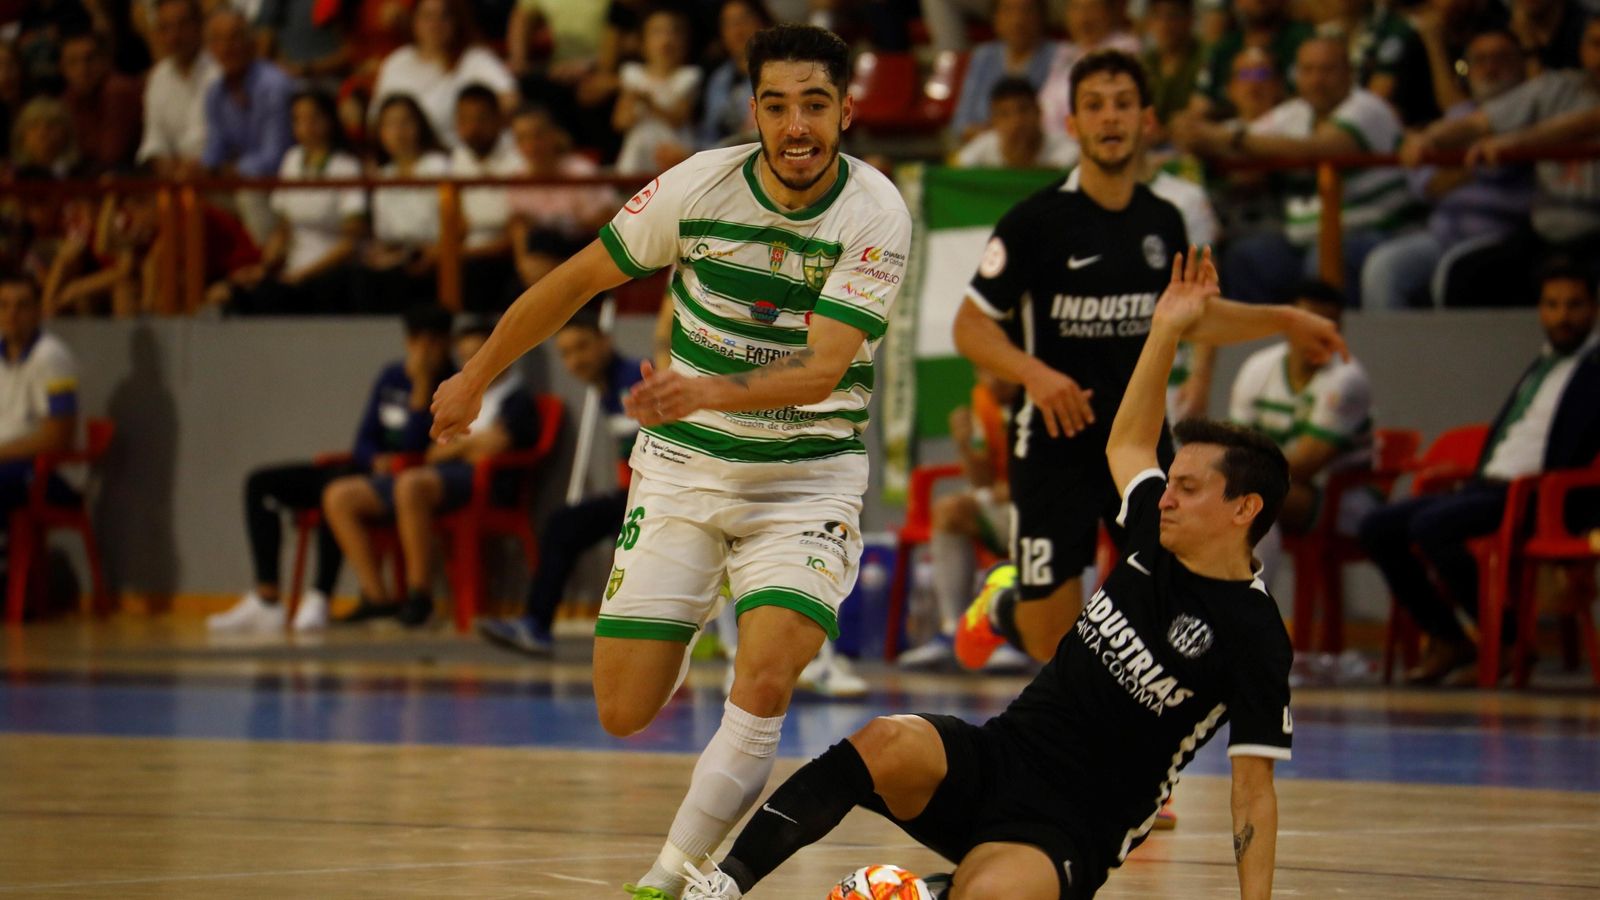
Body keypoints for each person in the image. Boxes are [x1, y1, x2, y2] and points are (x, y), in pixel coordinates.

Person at [679, 248, 1329, 900]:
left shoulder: (1255, 634)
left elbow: (1252, 795)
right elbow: (1129, 443)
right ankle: (725, 886)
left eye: (1188, 488)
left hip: (1070, 828)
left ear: (1243, 509)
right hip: (1000, 758)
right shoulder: (1151, 534)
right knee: (884, 742)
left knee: (990, 893)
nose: (1167, 496)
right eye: (1172, 483)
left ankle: (928, 892)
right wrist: (1166, 329)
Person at [427, 24, 911, 899]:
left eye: (815, 104)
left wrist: (706, 391)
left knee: (767, 673)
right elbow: (575, 282)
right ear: (753, 109)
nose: (796, 126)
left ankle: (670, 878)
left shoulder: (875, 210)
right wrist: (473, 375)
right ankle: (691, 599)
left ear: (846, 109)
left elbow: (825, 368)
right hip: (685, 471)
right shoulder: (696, 185)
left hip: (806, 481)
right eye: (777, 105)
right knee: (624, 710)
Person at [950, 50, 1348, 673]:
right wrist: (1035, 373)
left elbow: (1191, 317)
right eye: (1094, 106)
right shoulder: (1036, 222)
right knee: (1046, 640)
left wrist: (1285, 318)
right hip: (1054, 445)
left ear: (1147, 121)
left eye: (1123, 104)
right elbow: (969, 326)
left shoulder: (1163, 220)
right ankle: (1001, 604)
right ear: (1074, 124)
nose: (1110, 118)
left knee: (1170, 598)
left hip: (1136, 445)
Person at [1358, 260, 1600, 684]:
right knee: (1378, 526)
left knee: (1433, 527)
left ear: (1594, 309)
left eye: (1574, 305)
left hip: (1538, 498)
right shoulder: (1542, 364)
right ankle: (1449, 637)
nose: (1562, 316)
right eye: (1552, 304)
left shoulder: (1595, 370)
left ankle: (1506, 640)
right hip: (1486, 486)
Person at [208, 305, 455, 634]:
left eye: (430, 342)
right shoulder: (391, 376)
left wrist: (421, 389)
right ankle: (266, 598)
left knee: (336, 489)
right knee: (261, 483)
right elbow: (364, 439)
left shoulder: (451, 383)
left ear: (444, 343)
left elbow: (418, 446)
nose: (421, 350)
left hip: (401, 479)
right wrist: (373, 460)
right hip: (366, 470)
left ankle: (321, 595)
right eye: (414, 341)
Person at [323, 314, 541, 626]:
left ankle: (419, 593)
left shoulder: (517, 398)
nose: (470, 364)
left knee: (410, 485)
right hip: (437, 476)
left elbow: (495, 446)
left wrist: (456, 448)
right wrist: (468, 445)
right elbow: (431, 448)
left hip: (483, 484)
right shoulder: (458, 393)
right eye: (464, 357)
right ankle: (376, 596)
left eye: (478, 355)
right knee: (340, 495)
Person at [1178, 35, 1415, 305]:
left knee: (1322, 259)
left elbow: (1319, 148)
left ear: (1349, 73)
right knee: (1247, 256)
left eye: (1327, 70)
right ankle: (1253, 344)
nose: (1317, 80)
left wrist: (1227, 139)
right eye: (1308, 70)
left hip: (1378, 231)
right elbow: (1238, 138)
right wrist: (1191, 131)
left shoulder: (1367, 107)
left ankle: (1334, 344)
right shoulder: (1296, 112)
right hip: (1301, 239)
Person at [479, 305, 644, 656]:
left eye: (582, 347)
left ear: (605, 341)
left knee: (564, 525)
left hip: (657, 498)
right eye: (566, 353)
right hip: (634, 497)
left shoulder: (633, 381)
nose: (575, 361)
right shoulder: (606, 387)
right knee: (564, 525)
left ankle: (537, 624)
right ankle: (536, 625)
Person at [1405, 16, 1600, 307]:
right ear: (1582, 49)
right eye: (1596, 44)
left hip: (1595, 229)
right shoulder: (1557, 87)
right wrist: (1430, 138)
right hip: (1546, 233)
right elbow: (1479, 122)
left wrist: (1518, 141)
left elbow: (1584, 124)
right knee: (1465, 275)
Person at [1368, 27, 1532, 310]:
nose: (1490, 68)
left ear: (1521, 64)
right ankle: (1391, 355)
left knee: (1454, 271)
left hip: (1502, 235)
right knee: (1384, 266)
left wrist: (1458, 168)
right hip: (1441, 233)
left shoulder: (1534, 112)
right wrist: (1476, 168)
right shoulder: (1457, 116)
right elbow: (1424, 185)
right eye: (1480, 60)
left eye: (1501, 58)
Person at [1228, 280, 1374, 581]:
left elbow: (1305, 465)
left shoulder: (1347, 380)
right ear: (1287, 325)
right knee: (1231, 495)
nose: (1323, 336)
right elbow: (1236, 448)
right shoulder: (1258, 368)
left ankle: (1247, 607)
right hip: (1280, 489)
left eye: (1332, 326)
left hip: (1346, 500)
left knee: (1241, 497)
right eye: (1312, 325)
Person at [896, 370, 1026, 671]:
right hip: (1005, 508)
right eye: (984, 370)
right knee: (949, 511)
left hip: (1048, 509)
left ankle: (1015, 633)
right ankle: (954, 631)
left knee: (1030, 511)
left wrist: (1021, 486)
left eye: (999, 370)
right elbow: (982, 482)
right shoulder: (984, 400)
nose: (994, 379)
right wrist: (964, 445)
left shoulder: (1044, 397)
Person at [224, 90, 367, 316]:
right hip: (293, 270)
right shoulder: (291, 159)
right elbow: (284, 227)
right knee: (238, 292)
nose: (305, 126)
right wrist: (265, 268)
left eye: (313, 118)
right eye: (298, 119)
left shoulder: (347, 166)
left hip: (331, 273)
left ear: (330, 120)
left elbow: (350, 243)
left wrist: (303, 275)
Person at [200, 8, 295, 243]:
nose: (227, 47)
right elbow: (216, 147)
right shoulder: (215, 93)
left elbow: (276, 157)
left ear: (251, 42)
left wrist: (231, 171)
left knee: (248, 192)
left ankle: (267, 268)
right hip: (240, 180)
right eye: (217, 40)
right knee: (186, 195)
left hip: (284, 183)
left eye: (234, 38)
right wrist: (200, 168)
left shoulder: (274, 85)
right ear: (210, 49)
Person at [370, 0, 518, 147]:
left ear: (456, 21)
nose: (435, 25)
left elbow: (510, 101)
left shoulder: (475, 60)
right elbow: (376, 118)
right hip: (407, 157)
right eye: (427, 17)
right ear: (414, 21)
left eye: (444, 16)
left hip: (459, 156)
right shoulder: (397, 62)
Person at [506, 104, 619, 290]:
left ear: (553, 135)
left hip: (583, 258)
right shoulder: (517, 182)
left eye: (537, 136)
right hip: (538, 263)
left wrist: (556, 265)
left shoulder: (581, 173)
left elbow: (607, 224)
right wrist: (524, 266)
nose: (531, 146)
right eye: (522, 138)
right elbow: (519, 229)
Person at [358, 93, 451, 315]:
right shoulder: (382, 176)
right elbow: (383, 234)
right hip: (398, 256)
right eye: (390, 124)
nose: (398, 132)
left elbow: (454, 223)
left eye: (405, 122)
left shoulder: (440, 166)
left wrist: (434, 251)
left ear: (420, 126)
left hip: (436, 255)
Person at [0, 276, 80, 524]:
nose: (12, 314)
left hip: (45, 472)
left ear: (37, 312)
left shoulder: (52, 357)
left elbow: (58, 438)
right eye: (4, 305)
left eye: (22, 305)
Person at [450, 83, 524, 312]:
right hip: (466, 251)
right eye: (464, 120)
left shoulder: (519, 159)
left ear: (498, 119)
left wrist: (463, 253)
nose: (472, 128)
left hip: (505, 254)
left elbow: (518, 230)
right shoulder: (457, 158)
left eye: (480, 119)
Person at [948, 0, 1059, 144]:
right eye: (1008, 11)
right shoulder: (983, 56)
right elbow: (961, 123)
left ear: (1041, 16)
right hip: (987, 149)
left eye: (1026, 11)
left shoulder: (1060, 56)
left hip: (1042, 149)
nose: (1017, 19)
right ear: (995, 18)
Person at [613, 5, 702, 175]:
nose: (666, 39)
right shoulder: (632, 74)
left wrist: (649, 103)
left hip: (675, 151)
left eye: (674, 32)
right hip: (639, 154)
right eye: (657, 32)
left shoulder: (689, 76)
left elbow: (678, 119)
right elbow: (620, 122)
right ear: (642, 42)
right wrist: (630, 104)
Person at [137, 0, 218, 177]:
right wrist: (166, 165)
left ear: (199, 25)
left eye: (182, 25)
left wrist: (195, 167)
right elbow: (154, 141)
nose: (175, 36)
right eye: (166, 28)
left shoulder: (220, 72)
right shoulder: (157, 78)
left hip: (218, 178)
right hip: (174, 182)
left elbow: (222, 144)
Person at [954, 76, 1080, 169]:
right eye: (1004, 114)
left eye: (1023, 110)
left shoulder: (1069, 152)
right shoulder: (979, 150)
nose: (1016, 121)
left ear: (1039, 111)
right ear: (993, 120)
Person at [697, 0, 772, 150]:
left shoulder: (779, 73)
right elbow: (709, 133)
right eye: (729, 24)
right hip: (724, 160)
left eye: (744, 20)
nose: (737, 30)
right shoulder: (718, 79)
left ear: (763, 23)